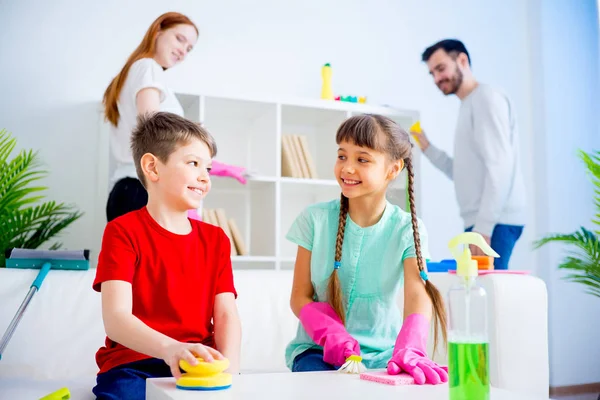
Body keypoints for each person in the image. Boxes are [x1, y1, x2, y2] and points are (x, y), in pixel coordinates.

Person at [285, 114, 448, 385]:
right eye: (341, 156)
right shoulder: (314, 220)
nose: (347, 168)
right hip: (317, 353)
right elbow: (299, 296)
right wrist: (329, 333)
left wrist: (410, 345)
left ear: (393, 170)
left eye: (362, 159)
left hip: (386, 356)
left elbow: (417, 294)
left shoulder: (408, 228)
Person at [92, 112, 242, 400]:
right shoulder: (121, 232)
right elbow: (116, 317)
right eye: (193, 163)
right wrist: (170, 348)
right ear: (152, 167)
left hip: (197, 364)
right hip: (133, 365)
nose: (204, 177)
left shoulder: (216, 240)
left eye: (208, 169)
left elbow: (226, 315)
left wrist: (231, 375)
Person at [103, 11, 246, 223]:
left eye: (189, 49)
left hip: (129, 190)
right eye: (180, 39)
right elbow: (152, 131)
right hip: (143, 193)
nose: (183, 51)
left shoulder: (135, 71)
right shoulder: (148, 67)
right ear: (158, 31)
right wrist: (194, 144)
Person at [414, 39, 526, 270]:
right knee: (479, 297)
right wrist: (428, 148)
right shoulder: (469, 104)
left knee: (487, 298)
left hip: (494, 222)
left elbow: (500, 167)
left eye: (441, 68)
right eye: (432, 73)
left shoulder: (485, 99)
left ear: (462, 61)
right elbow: (463, 173)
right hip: (484, 221)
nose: (437, 78)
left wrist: (483, 227)